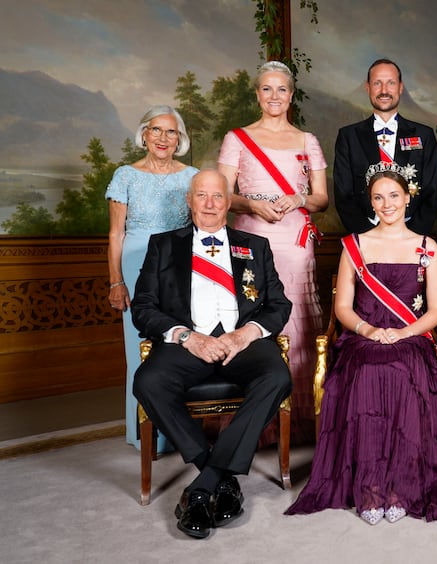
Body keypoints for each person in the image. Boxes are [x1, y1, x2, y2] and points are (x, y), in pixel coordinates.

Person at [286, 164, 437, 525]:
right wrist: (369, 330)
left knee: (402, 369)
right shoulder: (354, 245)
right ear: (371, 203)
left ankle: (400, 486)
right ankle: (371, 487)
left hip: (413, 337)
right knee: (370, 368)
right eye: (378, 197)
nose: (386, 204)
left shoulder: (426, 246)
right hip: (364, 337)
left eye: (393, 196)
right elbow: (341, 307)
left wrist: (404, 333)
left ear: (407, 198)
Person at [132, 170, 292, 539]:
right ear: (189, 201)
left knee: (278, 377)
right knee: (149, 381)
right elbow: (143, 307)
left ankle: (202, 485)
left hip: (243, 343)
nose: (209, 204)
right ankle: (217, 476)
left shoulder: (254, 245)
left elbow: (278, 305)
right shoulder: (163, 245)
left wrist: (244, 335)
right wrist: (187, 337)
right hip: (189, 343)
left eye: (217, 196)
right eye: (201, 195)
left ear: (228, 202)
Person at [217, 61, 327, 445]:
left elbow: (321, 199)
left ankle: (300, 419)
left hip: (295, 238)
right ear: (257, 94)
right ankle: (257, 422)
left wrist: (297, 197)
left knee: (296, 319)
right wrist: (251, 205)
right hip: (252, 235)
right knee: (253, 313)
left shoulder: (307, 139)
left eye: (282, 89)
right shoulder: (237, 138)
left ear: (292, 95)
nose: (274, 96)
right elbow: (222, 196)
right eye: (267, 89)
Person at [106, 105, 198, 451]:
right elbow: (116, 234)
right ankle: (144, 434)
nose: (163, 138)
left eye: (171, 132)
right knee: (139, 349)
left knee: (179, 344)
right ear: (144, 134)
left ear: (180, 139)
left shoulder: (192, 176)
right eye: (156, 130)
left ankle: (179, 434)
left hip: (178, 265)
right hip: (134, 262)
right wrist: (116, 281)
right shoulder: (125, 176)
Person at [334, 58, 437, 235]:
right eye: (377, 83)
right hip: (365, 239)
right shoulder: (348, 137)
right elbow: (344, 196)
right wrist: (370, 237)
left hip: (412, 239)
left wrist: (409, 237)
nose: (384, 90)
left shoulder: (424, 135)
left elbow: (431, 194)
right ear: (368, 88)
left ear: (400, 87)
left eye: (391, 83)